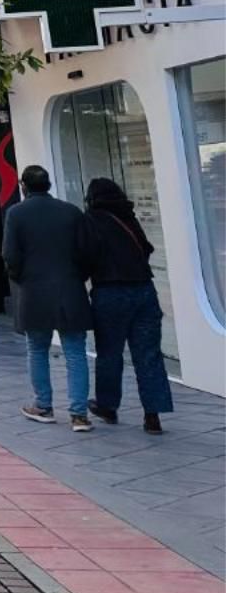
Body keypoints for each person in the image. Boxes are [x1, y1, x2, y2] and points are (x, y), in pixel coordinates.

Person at [1, 164, 94, 432]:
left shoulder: (16, 214)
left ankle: (43, 405)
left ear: (23, 186)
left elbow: (10, 254)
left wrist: (21, 278)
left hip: (34, 290)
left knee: (37, 348)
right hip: (70, 288)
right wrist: (76, 276)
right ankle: (79, 414)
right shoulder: (71, 212)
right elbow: (86, 252)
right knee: (76, 352)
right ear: (49, 185)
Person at [83, 178, 173, 434]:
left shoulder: (91, 220)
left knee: (110, 353)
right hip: (144, 290)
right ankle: (153, 415)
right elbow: (146, 248)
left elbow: (85, 255)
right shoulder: (128, 216)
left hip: (110, 292)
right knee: (149, 355)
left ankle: (108, 405)